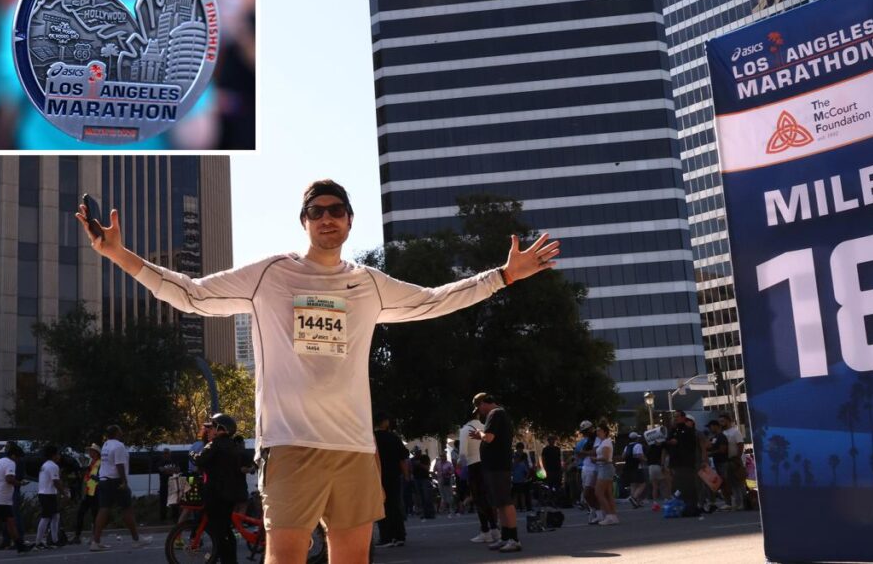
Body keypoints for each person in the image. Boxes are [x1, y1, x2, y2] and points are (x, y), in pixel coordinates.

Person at [77, 179, 559, 564]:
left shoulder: (368, 283)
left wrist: (503, 275)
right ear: (304, 222)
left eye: (336, 210)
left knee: (352, 558)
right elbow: (191, 294)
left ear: (350, 220)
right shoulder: (271, 275)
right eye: (316, 211)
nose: (327, 218)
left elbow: (433, 301)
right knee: (284, 557)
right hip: (289, 445)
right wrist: (120, 254)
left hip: (352, 447)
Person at [469, 392, 522, 553]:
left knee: (505, 502)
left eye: (479, 407)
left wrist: (480, 435)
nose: (480, 412)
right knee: (499, 503)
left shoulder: (495, 413)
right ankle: (505, 537)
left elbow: (490, 437)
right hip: (495, 466)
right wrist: (482, 437)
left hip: (498, 466)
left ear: (485, 403)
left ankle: (513, 539)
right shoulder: (499, 414)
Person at [193, 413, 248, 564]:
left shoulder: (215, 444)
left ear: (221, 429)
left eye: (212, 427)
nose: (210, 430)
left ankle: (226, 560)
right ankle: (231, 560)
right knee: (226, 530)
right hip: (229, 495)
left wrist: (192, 454)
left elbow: (200, 459)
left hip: (215, 494)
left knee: (219, 531)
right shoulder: (234, 445)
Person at [91, 424, 151, 551]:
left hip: (104, 479)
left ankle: (95, 542)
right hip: (116, 480)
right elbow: (119, 465)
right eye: (121, 431)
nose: (122, 433)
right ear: (117, 433)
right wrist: (124, 481)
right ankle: (136, 539)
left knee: (103, 509)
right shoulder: (118, 446)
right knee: (127, 509)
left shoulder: (106, 445)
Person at [460, 409, 499, 544]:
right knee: (488, 497)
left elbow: (463, 454)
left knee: (478, 499)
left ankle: (486, 530)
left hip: (473, 466)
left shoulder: (465, 430)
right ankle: (494, 528)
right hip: (487, 465)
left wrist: (461, 469)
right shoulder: (484, 427)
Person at [373, 412, 408, 548]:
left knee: (381, 507)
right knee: (395, 505)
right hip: (394, 476)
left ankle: (386, 536)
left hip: (377, 476)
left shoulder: (371, 439)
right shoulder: (393, 438)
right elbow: (402, 458)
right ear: (385, 422)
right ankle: (399, 535)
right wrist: (406, 475)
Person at [666, 411, 700, 513]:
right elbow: (667, 442)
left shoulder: (688, 431)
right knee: (677, 484)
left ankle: (691, 506)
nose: (675, 419)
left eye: (677, 417)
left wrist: (678, 441)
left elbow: (691, 445)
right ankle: (681, 505)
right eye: (674, 417)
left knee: (688, 483)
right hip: (676, 462)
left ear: (683, 418)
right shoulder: (673, 430)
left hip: (686, 462)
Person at [35, 445, 64, 549]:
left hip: (44, 493)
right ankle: (38, 542)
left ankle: (54, 540)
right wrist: (64, 493)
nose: (59, 456)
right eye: (58, 454)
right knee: (46, 517)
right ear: (54, 455)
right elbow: (56, 482)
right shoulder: (53, 466)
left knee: (55, 516)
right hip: (48, 494)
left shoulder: (45, 465)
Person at [71, 444, 102, 544]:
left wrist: (95, 478)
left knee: (95, 515)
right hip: (88, 491)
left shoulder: (100, 463)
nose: (90, 453)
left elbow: (102, 478)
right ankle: (77, 536)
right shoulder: (90, 463)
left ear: (96, 453)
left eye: (92, 451)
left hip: (95, 492)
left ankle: (94, 537)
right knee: (81, 513)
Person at [719, 413, 747, 510]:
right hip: (726, 461)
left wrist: (737, 458)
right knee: (732, 483)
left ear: (728, 421)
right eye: (720, 421)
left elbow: (740, 444)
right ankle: (738, 502)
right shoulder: (722, 433)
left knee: (739, 482)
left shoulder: (735, 432)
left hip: (735, 460)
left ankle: (744, 502)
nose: (721, 423)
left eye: (723, 421)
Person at [575, 420, 600, 524]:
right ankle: (595, 511)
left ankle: (598, 512)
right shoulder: (585, 441)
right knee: (587, 492)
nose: (585, 433)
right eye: (583, 431)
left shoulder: (596, 439)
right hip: (585, 467)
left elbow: (595, 452)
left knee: (589, 492)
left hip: (593, 467)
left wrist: (583, 453)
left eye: (586, 430)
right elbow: (578, 455)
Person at [593, 423, 619, 525]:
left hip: (605, 467)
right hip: (604, 468)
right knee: (608, 493)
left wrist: (595, 459)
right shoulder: (603, 442)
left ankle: (609, 516)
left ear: (604, 432)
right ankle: (613, 515)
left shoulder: (606, 443)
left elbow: (605, 457)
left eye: (599, 430)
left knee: (599, 492)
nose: (597, 432)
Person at [622, 431, 646, 508]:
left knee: (633, 484)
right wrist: (645, 460)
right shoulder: (638, 445)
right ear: (636, 439)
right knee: (642, 484)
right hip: (637, 467)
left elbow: (623, 456)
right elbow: (639, 455)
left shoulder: (627, 446)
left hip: (628, 467)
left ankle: (636, 502)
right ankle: (634, 498)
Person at [157, 448, 181, 522]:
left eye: (167, 453)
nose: (166, 454)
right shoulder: (160, 462)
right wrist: (171, 470)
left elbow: (178, 470)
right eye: (164, 453)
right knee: (163, 502)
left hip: (173, 484)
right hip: (164, 485)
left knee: (174, 502)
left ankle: (175, 518)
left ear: (170, 454)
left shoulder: (174, 461)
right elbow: (161, 469)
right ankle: (163, 519)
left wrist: (167, 470)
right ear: (162, 454)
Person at [645, 436, 669, 509]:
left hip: (651, 467)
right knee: (664, 484)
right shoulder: (662, 448)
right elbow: (663, 456)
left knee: (655, 486)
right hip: (658, 466)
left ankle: (655, 503)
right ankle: (666, 501)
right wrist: (662, 465)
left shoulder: (650, 448)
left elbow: (646, 458)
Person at [539, 436, 563, 503]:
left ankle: (557, 499)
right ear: (548, 441)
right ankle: (550, 500)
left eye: (553, 440)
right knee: (550, 485)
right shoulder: (545, 449)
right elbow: (543, 459)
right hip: (549, 469)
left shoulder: (557, 449)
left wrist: (560, 468)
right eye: (550, 440)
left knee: (558, 485)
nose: (552, 441)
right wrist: (544, 468)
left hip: (557, 468)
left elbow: (559, 459)